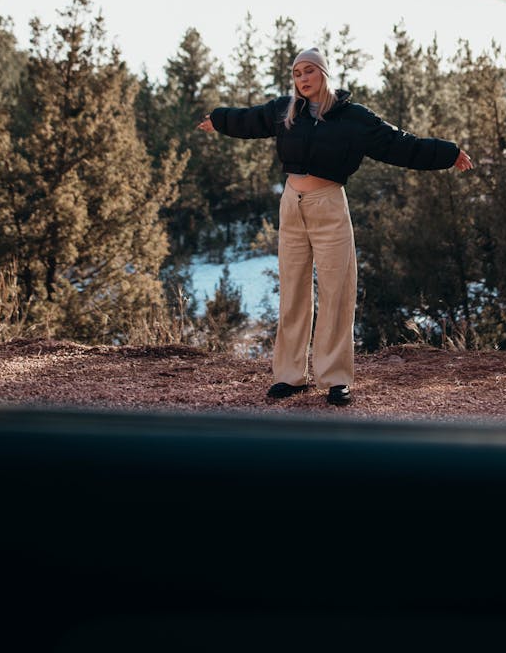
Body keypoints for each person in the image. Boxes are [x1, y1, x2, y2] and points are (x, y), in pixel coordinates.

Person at [197, 47, 473, 406]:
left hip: (328, 205)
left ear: (324, 73)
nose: (303, 79)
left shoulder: (353, 118)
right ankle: (291, 376)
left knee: (336, 293)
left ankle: (335, 377)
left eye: (309, 71)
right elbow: (249, 120)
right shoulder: (285, 110)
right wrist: (218, 119)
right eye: (297, 74)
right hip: (291, 205)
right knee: (293, 291)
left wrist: (447, 152)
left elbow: (399, 145)